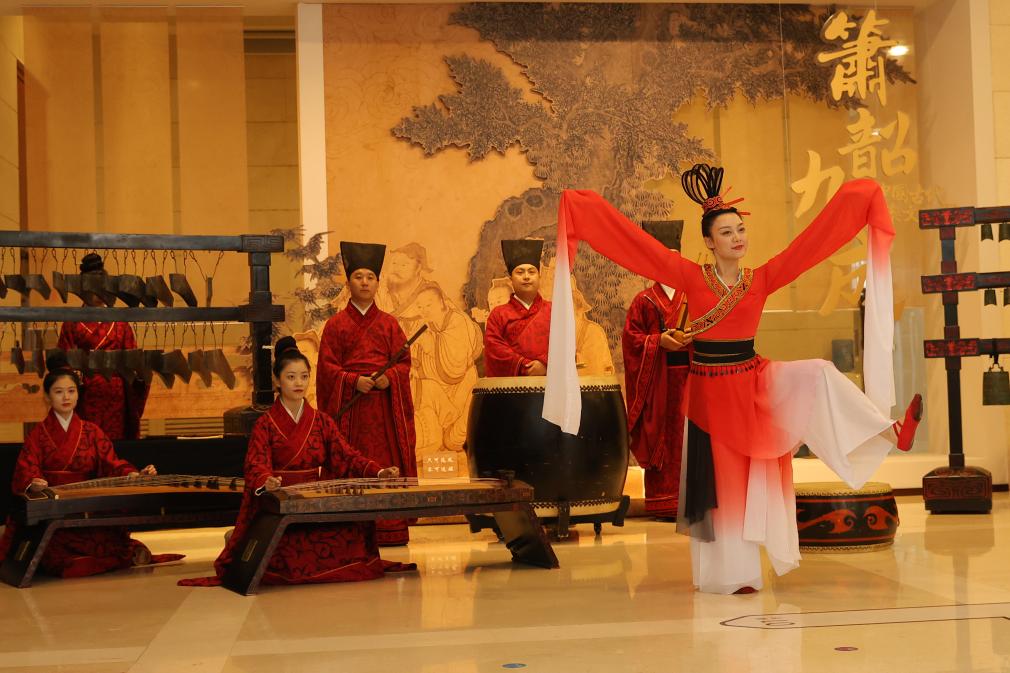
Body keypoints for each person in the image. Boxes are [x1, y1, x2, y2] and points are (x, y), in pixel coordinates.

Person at [545, 164, 923, 594]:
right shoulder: (690, 277)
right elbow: (637, 248)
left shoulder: (760, 279)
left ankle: (887, 431)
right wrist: (586, 210)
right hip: (709, 395)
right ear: (709, 242)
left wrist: (857, 203)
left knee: (818, 374)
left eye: (740, 230)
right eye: (726, 232)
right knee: (724, 489)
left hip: (752, 381)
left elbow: (809, 247)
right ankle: (729, 575)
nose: (737, 238)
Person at [179, 337, 413, 586]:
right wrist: (266, 480)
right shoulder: (265, 424)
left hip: (313, 500)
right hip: (280, 502)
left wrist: (378, 471)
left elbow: (346, 456)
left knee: (353, 531)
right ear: (277, 380)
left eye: (303, 376)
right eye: (291, 377)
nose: (298, 383)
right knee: (287, 546)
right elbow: (256, 463)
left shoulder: (321, 421)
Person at [0, 352, 175, 578]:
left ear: (78, 394)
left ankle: (126, 550)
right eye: (58, 392)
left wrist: (133, 474)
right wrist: (33, 483)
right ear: (47, 396)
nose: (66, 397)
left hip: (84, 506)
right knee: (60, 560)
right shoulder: (38, 435)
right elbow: (27, 468)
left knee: (104, 543)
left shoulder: (92, 431)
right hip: (54, 510)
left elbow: (112, 463)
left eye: (71, 391)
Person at [316, 242, 417, 546]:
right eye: (358, 276)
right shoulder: (335, 325)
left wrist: (389, 378)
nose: (364, 282)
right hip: (351, 410)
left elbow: (404, 363)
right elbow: (327, 368)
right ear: (349, 282)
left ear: (377, 283)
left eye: (370, 277)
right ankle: (350, 527)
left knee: (386, 462)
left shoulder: (389, 324)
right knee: (351, 461)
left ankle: (390, 527)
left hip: (383, 410)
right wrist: (351, 381)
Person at [621, 221, 690, 519]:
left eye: (673, 256)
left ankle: (695, 501)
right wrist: (658, 341)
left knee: (692, 437)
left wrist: (694, 338)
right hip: (659, 382)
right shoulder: (644, 300)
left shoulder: (694, 296)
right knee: (662, 435)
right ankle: (664, 502)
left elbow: (714, 332)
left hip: (692, 379)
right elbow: (631, 340)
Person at [57, 252, 148, 440]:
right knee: (86, 442)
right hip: (84, 395)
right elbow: (63, 363)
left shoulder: (120, 323)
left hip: (116, 396)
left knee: (115, 444)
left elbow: (132, 362)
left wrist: (139, 375)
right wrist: (73, 376)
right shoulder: (72, 323)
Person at [483, 239, 551, 377]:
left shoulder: (554, 311)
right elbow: (494, 349)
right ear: (511, 280)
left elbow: (565, 345)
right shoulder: (498, 315)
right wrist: (523, 365)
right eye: (520, 272)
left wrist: (545, 364)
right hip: (511, 387)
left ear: (539, 277)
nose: (526, 277)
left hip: (549, 384)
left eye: (531, 272)